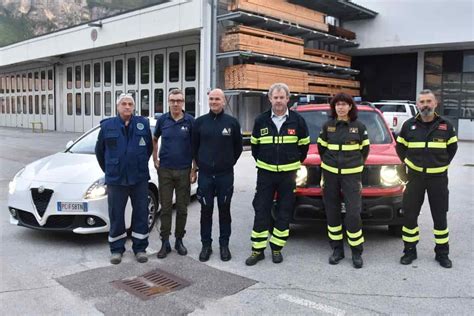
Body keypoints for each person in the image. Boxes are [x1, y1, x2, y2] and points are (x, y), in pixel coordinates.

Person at [245, 83, 310, 266]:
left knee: (284, 211)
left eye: (282, 97)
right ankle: (257, 250)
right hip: (265, 174)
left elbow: (303, 147)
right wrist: (265, 163)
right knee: (261, 209)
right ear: (270, 99)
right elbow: (255, 147)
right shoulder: (260, 120)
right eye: (276, 97)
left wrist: (293, 162)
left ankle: (276, 248)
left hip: (288, 176)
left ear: (288, 99)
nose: (279, 101)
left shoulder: (297, 121)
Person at [396, 89, 458, 268]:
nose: (425, 105)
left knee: (440, 217)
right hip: (415, 178)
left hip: (438, 178)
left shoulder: (446, 125)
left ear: (435, 103)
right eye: (422, 102)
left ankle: (442, 253)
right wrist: (408, 163)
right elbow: (400, 148)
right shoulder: (408, 125)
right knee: (410, 216)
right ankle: (409, 251)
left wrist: (441, 164)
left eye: (428, 101)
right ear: (417, 105)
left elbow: (452, 149)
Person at [95, 93, 153, 264]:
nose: (127, 107)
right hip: (116, 179)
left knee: (141, 213)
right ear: (117, 107)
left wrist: (136, 163)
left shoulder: (143, 124)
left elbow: (148, 148)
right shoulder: (107, 126)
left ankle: (140, 248)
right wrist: (111, 169)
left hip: (139, 178)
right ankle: (116, 249)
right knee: (116, 214)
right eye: (123, 104)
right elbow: (100, 152)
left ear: (133, 107)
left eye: (130, 104)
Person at [317, 93, 370, 269]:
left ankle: (356, 252)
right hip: (330, 175)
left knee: (353, 213)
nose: (340, 107)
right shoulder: (327, 127)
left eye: (344, 104)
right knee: (332, 212)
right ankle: (337, 250)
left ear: (350, 107)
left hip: (352, 176)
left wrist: (354, 165)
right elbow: (321, 148)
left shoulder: (359, 127)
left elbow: (365, 150)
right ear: (334, 107)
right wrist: (330, 163)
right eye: (337, 104)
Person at [192, 88, 243, 262]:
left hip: (225, 175)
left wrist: (227, 163)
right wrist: (198, 167)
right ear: (208, 100)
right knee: (206, 211)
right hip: (205, 175)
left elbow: (238, 148)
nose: (214, 102)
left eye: (217, 99)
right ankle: (206, 245)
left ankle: (224, 245)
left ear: (223, 101)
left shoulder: (232, 123)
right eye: (211, 99)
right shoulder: (199, 123)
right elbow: (194, 148)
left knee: (224, 210)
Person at [153, 89, 196, 259]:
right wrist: (154, 159)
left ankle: (179, 240)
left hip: (184, 170)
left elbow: (195, 146)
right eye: (172, 100)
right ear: (168, 102)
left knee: (182, 208)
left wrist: (194, 168)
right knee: (165, 208)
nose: (176, 103)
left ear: (183, 102)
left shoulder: (190, 121)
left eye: (179, 100)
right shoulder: (163, 120)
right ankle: (165, 242)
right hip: (165, 171)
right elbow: (154, 139)